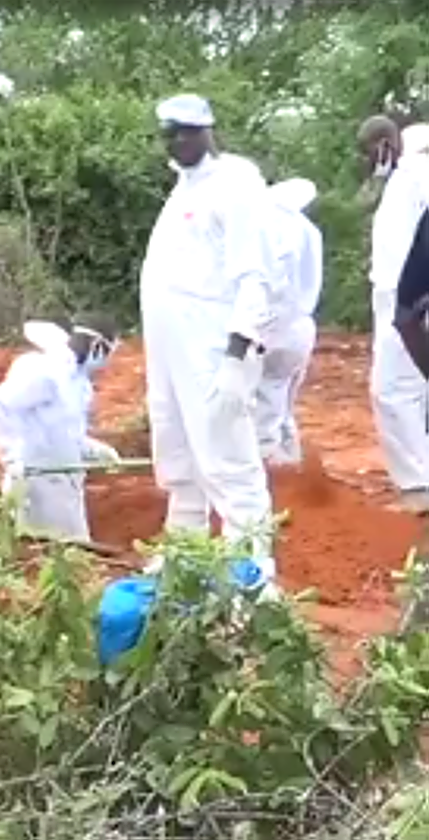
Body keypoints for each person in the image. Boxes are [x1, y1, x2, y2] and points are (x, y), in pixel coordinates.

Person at [140, 94, 282, 577]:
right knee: (179, 457)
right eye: (169, 133)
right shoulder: (185, 190)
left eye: (186, 132)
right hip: (171, 352)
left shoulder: (235, 185)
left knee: (228, 461)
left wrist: (237, 356)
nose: (177, 141)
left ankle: (251, 575)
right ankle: (185, 560)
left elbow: (254, 278)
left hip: (213, 349)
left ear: (207, 131)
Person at [0, 316, 122, 541]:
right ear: (96, 346)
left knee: (72, 550)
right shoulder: (47, 374)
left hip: (65, 486)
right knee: (41, 550)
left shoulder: (79, 384)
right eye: (107, 352)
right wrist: (12, 460)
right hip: (36, 486)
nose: (106, 362)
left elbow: (66, 435)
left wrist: (97, 451)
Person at [358, 114, 429, 512]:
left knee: (393, 391)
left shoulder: (418, 172)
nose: (368, 159)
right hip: (399, 298)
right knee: (413, 391)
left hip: (410, 300)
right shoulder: (402, 179)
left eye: (370, 150)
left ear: (386, 145)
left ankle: (418, 487)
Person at [255, 178, 323, 466]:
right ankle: (293, 464)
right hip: (301, 326)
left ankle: (273, 468)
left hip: (273, 327)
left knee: (265, 403)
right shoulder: (309, 231)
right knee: (283, 403)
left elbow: (272, 286)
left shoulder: (270, 230)